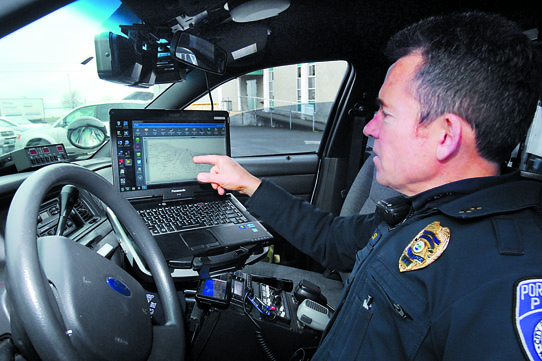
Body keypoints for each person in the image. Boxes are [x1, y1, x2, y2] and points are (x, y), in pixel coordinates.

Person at [194, 11, 542, 360]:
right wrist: (248, 184)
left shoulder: (504, 279)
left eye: (386, 114)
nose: (369, 128)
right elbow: (331, 239)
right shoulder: (418, 213)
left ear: (446, 136)